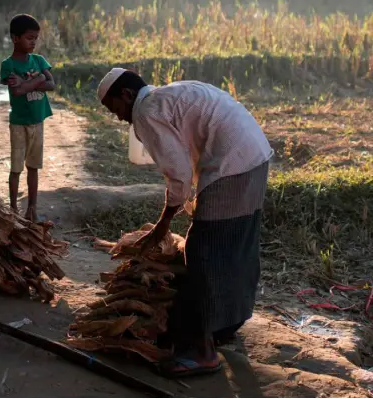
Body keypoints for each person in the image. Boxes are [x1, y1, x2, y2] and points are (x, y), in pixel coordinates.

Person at [97, 68, 272, 378]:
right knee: (238, 245)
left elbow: (178, 176)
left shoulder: (146, 110)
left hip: (232, 165)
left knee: (203, 253)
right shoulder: (167, 94)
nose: (120, 118)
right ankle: (228, 324)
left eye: (116, 109)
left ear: (125, 95)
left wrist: (163, 223)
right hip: (254, 156)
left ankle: (203, 352)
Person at [0, 14, 55, 221]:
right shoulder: (8, 65)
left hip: (37, 121)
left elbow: (52, 84)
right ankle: (13, 208)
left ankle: (32, 207)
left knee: (34, 167)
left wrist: (27, 83)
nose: (33, 42)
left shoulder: (39, 60)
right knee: (16, 168)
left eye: (35, 38)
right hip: (19, 123)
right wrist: (38, 78)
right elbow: (16, 92)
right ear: (15, 38)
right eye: (29, 38)